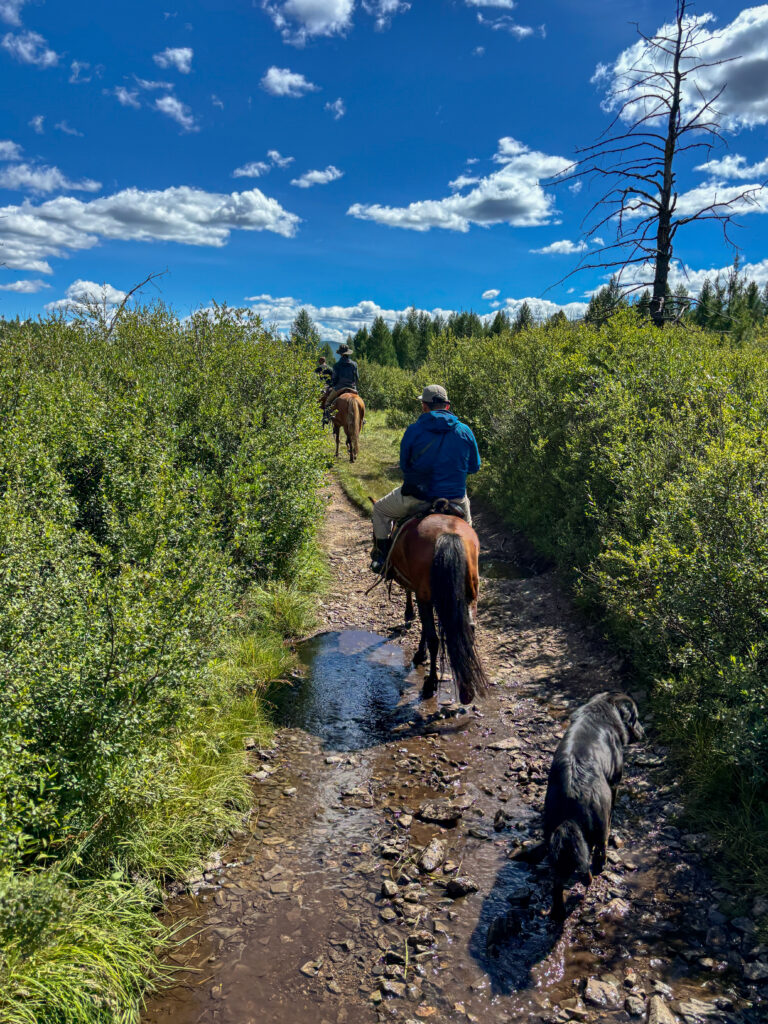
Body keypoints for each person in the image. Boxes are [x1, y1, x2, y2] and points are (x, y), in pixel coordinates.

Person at [370, 384, 481, 573]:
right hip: (455, 498)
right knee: (470, 533)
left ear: (424, 406)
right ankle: (472, 568)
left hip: (418, 496)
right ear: (447, 406)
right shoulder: (465, 431)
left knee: (380, 510)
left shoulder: (414, 430)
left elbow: (405, 466)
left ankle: (382, 559)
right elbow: (474, 467)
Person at [322, 343, 359, 425]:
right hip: (352, 387)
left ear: (341, 354)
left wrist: (332, 385)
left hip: (339, 387)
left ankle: (326, 418)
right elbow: (356, 378)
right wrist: (354, 385)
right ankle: (362, 419)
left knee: (327, 402)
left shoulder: (336, 365)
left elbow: (334, 379)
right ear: (348, 353)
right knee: (359, 401)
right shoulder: (354, 364)